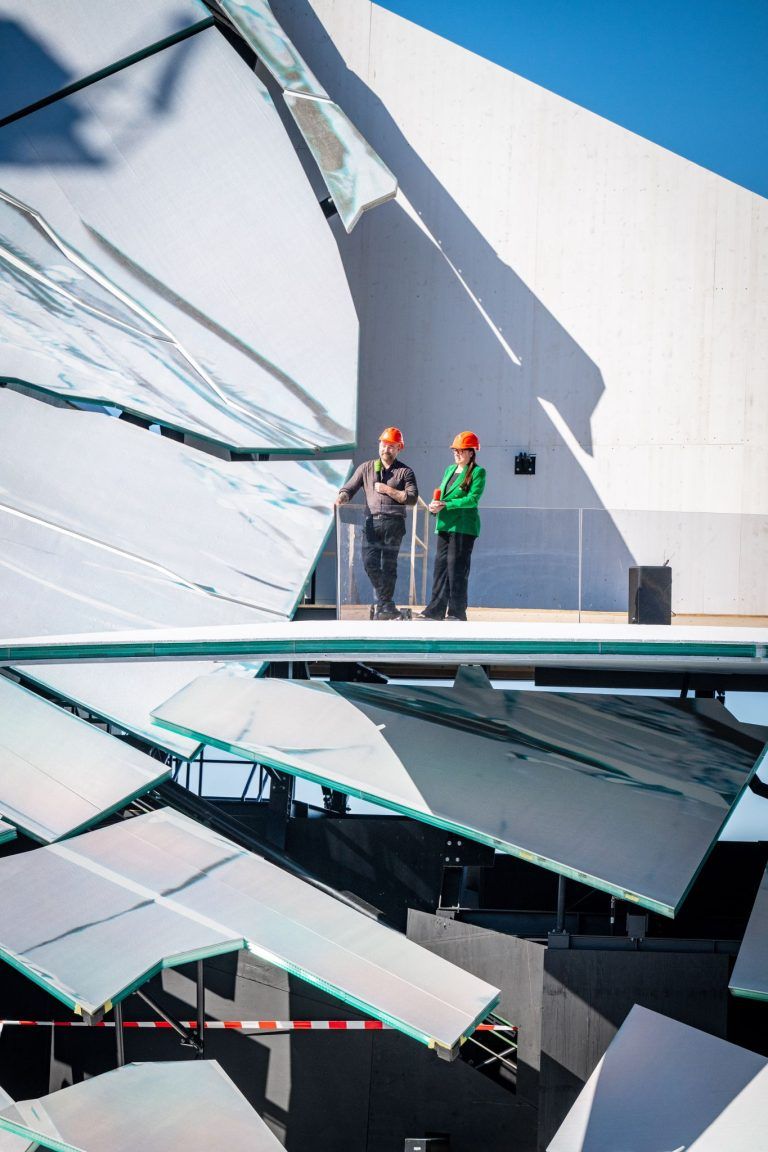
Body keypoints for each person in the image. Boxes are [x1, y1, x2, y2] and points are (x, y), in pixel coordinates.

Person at [335, 427, 418, 619]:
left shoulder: (405, 472)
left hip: (394, 524)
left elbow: (412, 498)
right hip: (371, 523)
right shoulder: (366, 468)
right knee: (369, 562)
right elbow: (349, 487)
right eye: (383, 445)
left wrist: (388, 490)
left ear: (399, 448)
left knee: (389, 566)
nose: (385, 450)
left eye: (391, 446)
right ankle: (387, 603)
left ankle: (385, 606)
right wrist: (342, 498)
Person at [418, 431, 485, 621]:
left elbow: (472, 499)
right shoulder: (449, 470)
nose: (457, 454)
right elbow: (443, 494)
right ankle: (435, 610)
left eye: (462, 451)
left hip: (463, 527)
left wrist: (446, 505)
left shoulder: (478, 472)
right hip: (445, 524)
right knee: (440, 568)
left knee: (457, 569)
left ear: (471, 452)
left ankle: (457, 612)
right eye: (455, 450)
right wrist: (434, 505)